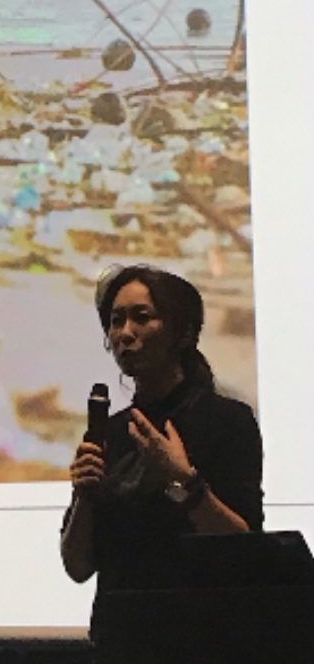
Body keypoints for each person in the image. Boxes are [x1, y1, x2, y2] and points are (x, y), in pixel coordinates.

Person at [61, 264, 263, 650]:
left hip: (205, 640)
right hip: (121, 640)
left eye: (142, 317)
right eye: (115, 321)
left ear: (183, 333)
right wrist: (85, 495)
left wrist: (184, 482)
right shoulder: (113, 432)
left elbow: (246, 549)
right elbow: (78, 567)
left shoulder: (226, 420)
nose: (125, 333)